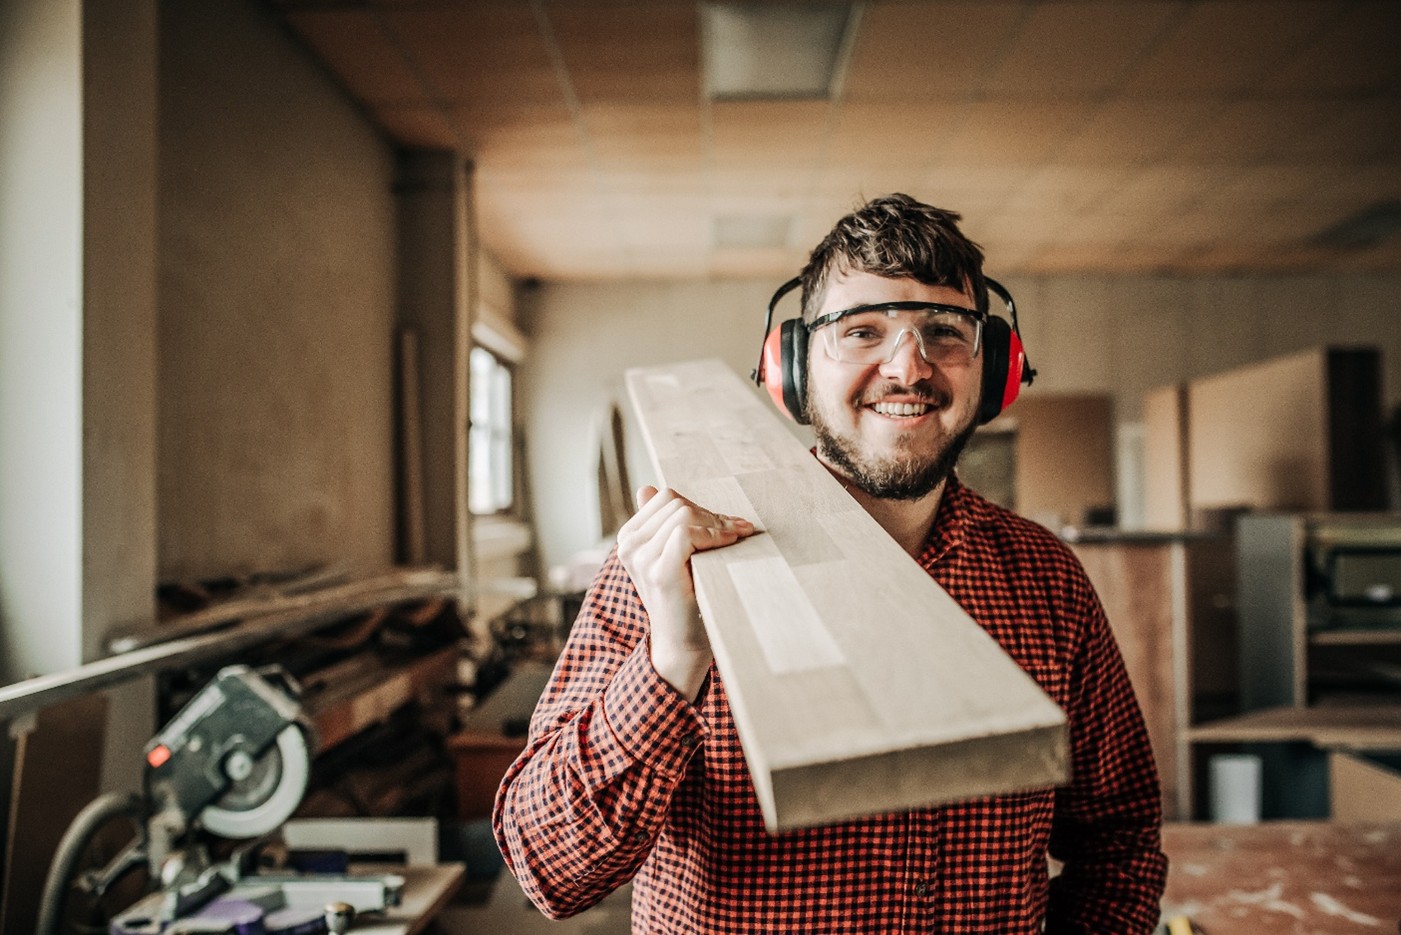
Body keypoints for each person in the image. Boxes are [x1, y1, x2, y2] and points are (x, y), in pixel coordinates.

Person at [493, 193, 1167, 933]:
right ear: (791, 368)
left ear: (996, 368)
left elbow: (1120, 841)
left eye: (944, 331)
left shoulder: (1044, 577)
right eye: (862, 331)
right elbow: (546, 869)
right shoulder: (674, 564)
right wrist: (670, 663)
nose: (907, 367)